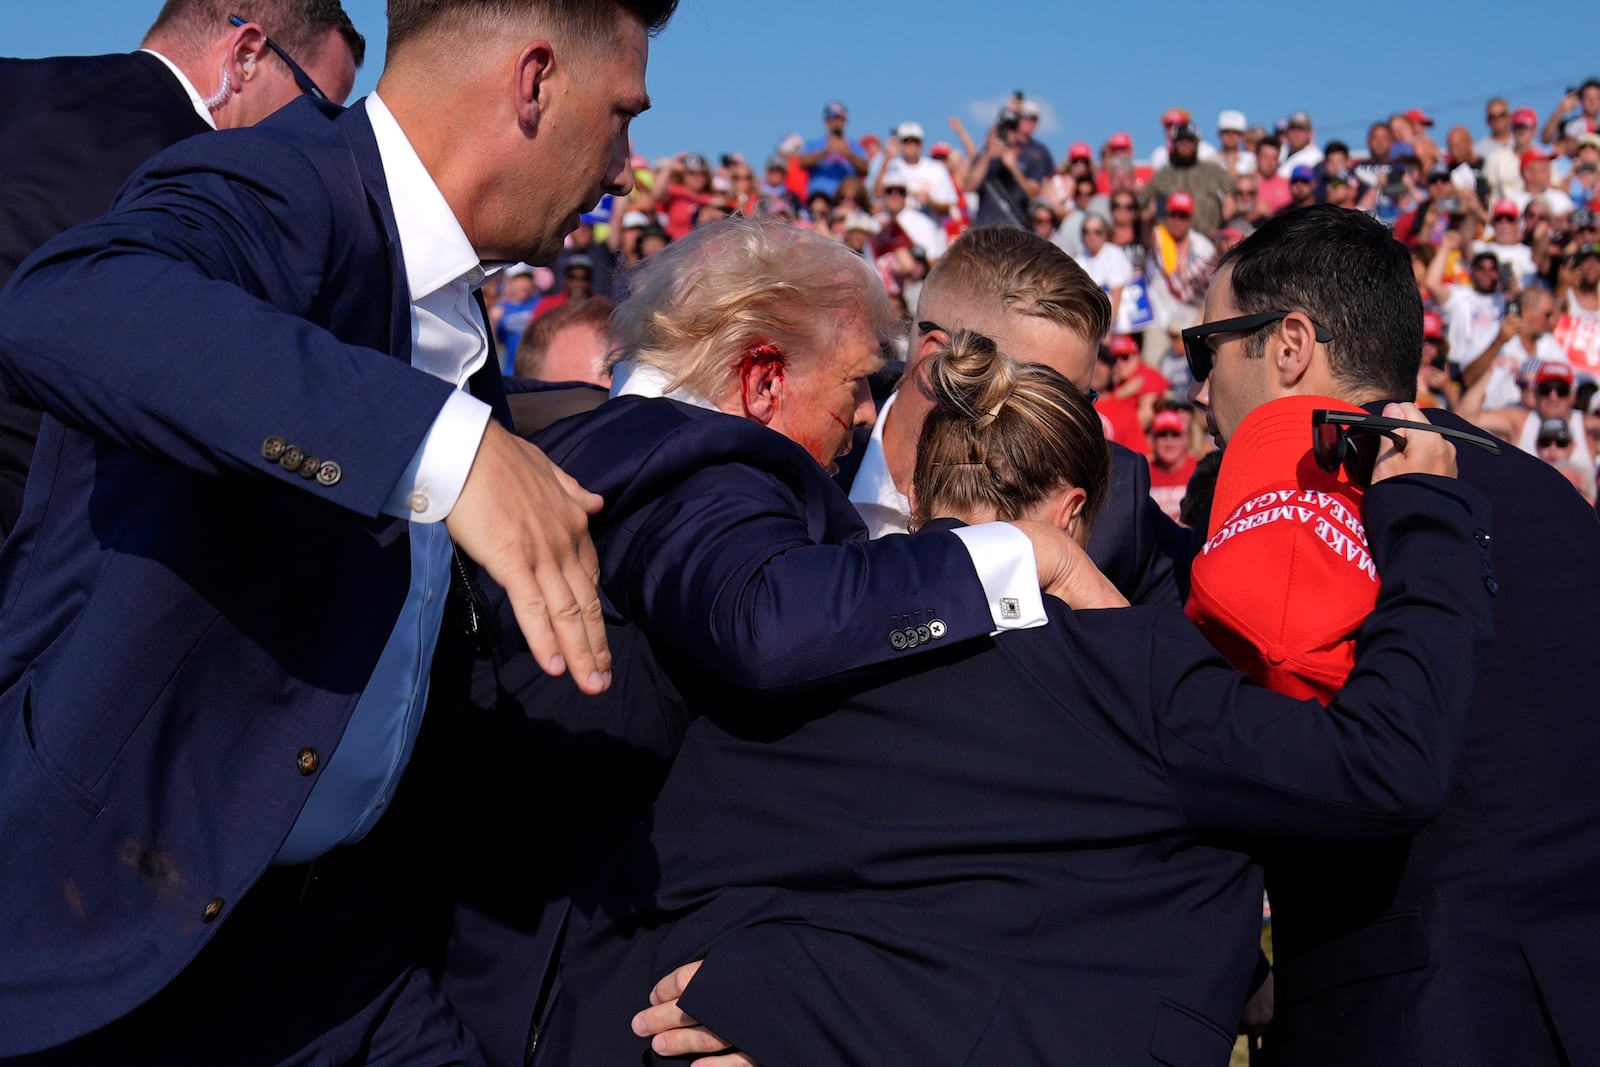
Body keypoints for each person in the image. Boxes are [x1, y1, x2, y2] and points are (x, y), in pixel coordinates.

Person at [0, 0, 680, 1060]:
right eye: (623, 115)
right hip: (104, 934)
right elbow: (73, 303)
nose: (627, 167)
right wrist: (442, 445)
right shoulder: (284, 184)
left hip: (335, 945)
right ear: (534, 83)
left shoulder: (460, 315)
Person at [552, 332, 1493, 1067]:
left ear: (918, 491)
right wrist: (1428, 529)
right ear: (1076, 507)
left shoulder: (807, 625)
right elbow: (1384, 764)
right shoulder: (1134, 670)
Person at [433, 217, 1102, 1067]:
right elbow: (765, 619)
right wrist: (1019, 555)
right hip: (593, 998)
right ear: (761, 379)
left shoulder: (578, 443)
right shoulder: (705, 464)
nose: (867, 410)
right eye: (857, 381)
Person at [1187, 203, 1600, 1067]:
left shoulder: (1297, 501)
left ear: (1290, 344)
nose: (1197, 385)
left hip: (1412, 1011)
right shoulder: (1546, 493)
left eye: (1208, 347)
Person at [0, 0, 364, 541]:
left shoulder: (17, 81)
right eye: (318, 104)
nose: (321, 135)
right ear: (245, 56)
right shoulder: (207, 190)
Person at [842, 225, 1187, 605]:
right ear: (936, 363)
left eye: (1080, 399)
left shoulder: (1111, 499)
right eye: (1034, 391)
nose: (1066, 427)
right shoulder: (814, 459)